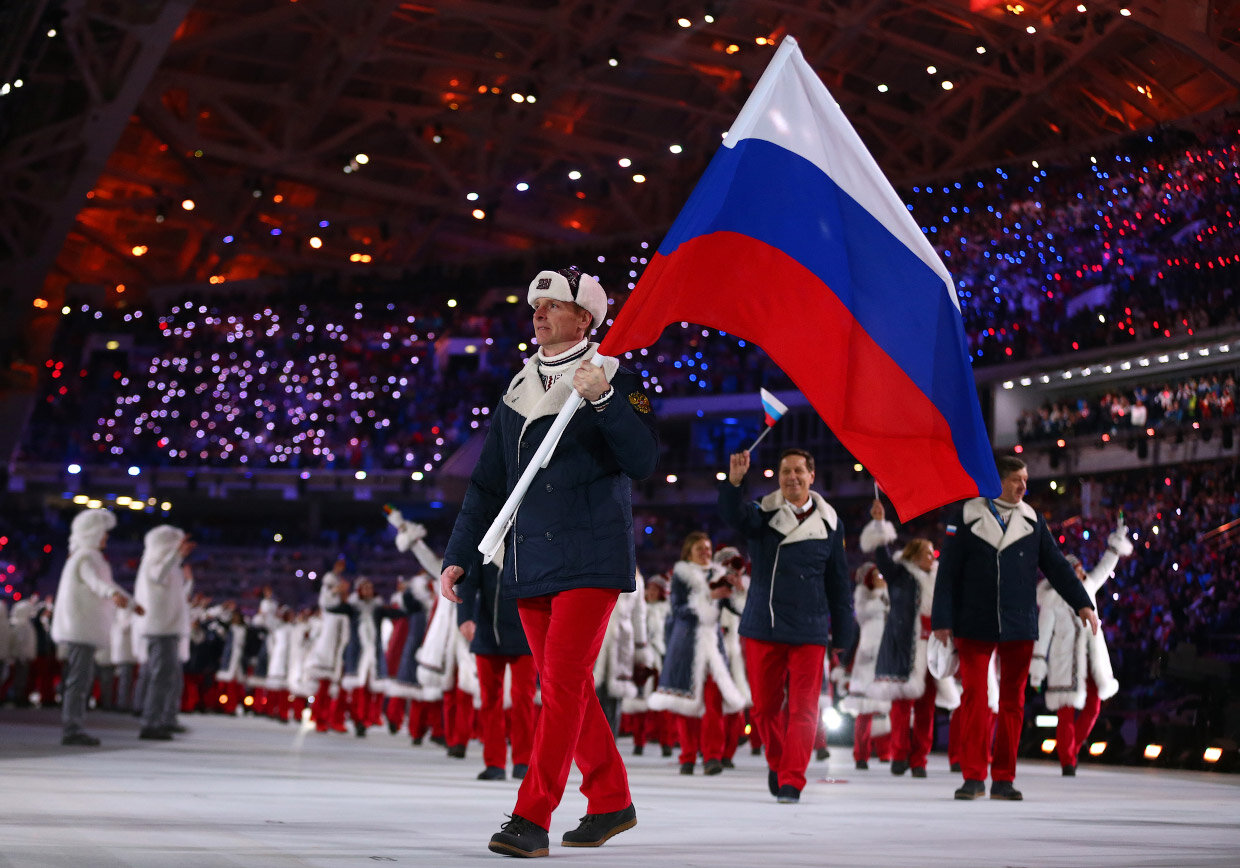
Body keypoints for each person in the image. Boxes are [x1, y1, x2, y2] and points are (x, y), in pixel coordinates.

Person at [439, 266, 657, 858]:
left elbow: (644, 460)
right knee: (567, 686)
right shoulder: (517, 388)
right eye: (536, 306)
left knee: (559, 685)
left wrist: (607, 400)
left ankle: (532, 815)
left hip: (591, 554)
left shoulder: (618, 378)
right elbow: (487, 485)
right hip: (529, 557)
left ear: (585, 318)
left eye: (553, 306)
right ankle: (611, 799)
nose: (538, 314)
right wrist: (459, 554)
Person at [931, 455, 1099, 801]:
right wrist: (943, 621)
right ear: (997, 481)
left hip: (1019, 623)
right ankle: (973, 776)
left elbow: (1056, 566)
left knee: (1013, 703)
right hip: (973, 622)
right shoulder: (965, 516)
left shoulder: (1033, 520)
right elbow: (946, 573)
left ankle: (1004, 778)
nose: (1023, 486)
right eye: (1015, 480)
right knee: (976, 699)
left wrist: (1082, 602)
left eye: (1025, 480)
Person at [719, 447, 855, 804]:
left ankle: (793, 778)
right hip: (764, 624)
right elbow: (733, 516)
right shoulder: (762, 512)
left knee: (805, 709)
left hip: (809, 629)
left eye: (799, 471)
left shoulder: (830, 522)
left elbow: (839, 583)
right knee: (763, 708)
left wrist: (842, 633)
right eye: (785, 472)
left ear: (812, 476)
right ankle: (778, 763)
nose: (792, 477)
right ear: (777, 478)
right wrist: (734, 483)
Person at [860, 501, 961, 777]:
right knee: (902, 707)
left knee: (927, 709)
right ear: (915, 555)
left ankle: (920, 761)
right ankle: (899, 755)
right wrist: (880, 525)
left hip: (935, 648)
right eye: (927, 552)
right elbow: (881, 557)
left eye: (933, 552)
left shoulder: (942, 579)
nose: (932, 556)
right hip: (906, 647)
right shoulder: (900, 575)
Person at [1030, 521, 1133, 775]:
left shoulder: (1088, 588)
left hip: (1092, 658)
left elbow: (1105, 567)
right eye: (1074, 569)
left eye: (1079, 568)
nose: (1080, 572)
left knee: (1094, 705)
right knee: (1065, 711)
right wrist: (1038, 667)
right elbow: (1042, 635)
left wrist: (1115, 543)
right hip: (1064, 660)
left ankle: (1072, 750)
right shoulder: (1053, 600)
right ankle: (1067, 761)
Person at [648, 533, 747, 776]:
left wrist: (739, 592)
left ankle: (713, 756)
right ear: (688, 551)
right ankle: (688, 756)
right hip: (686, 646)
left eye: (707, 547)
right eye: (700, 548)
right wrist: (708, 597)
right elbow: (679, 610)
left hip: (713, 648)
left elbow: (735, 608)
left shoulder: (718, 574)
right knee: (686, 705)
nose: (705, 551)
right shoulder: (681, 575)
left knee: (714, 704)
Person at [49, 509, 145, 746]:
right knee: (78, 679)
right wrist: (112, 594)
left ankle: (74, 725)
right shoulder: (86, 557)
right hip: (80, 628)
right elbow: (97, 582)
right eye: (102, 533)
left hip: (83, 628)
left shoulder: (90, 557)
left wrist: (130, 603)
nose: (106, 538)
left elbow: (107, 583)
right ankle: (72, 728)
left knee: (81, 678)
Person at [456, 547, 536, 781]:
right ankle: (495, 763)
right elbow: (468, 584)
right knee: (490, 700)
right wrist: (465, 618)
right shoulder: (484, 547)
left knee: (523, 700)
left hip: (525, 634)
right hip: (487, 635)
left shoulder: (530, 545)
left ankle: (523, 761)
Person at [133, 524, 195, 740]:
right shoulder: (153, 563)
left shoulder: (170, 567)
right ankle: (151, 722)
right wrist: (175, 555)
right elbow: (158, 575)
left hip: (167, 628)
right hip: (160, 629)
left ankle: (160, 719)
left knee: (167, 677)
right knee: (160, 676)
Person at [839, 561, 892, 770]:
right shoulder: (864, 599)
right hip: (866, 661)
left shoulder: (888, 598)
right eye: (877, 576)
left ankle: (886, 751)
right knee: (864, 710)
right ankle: (861, 755)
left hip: (885, 658)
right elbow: (862, 619)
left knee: (884, 709)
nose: (881, 580)